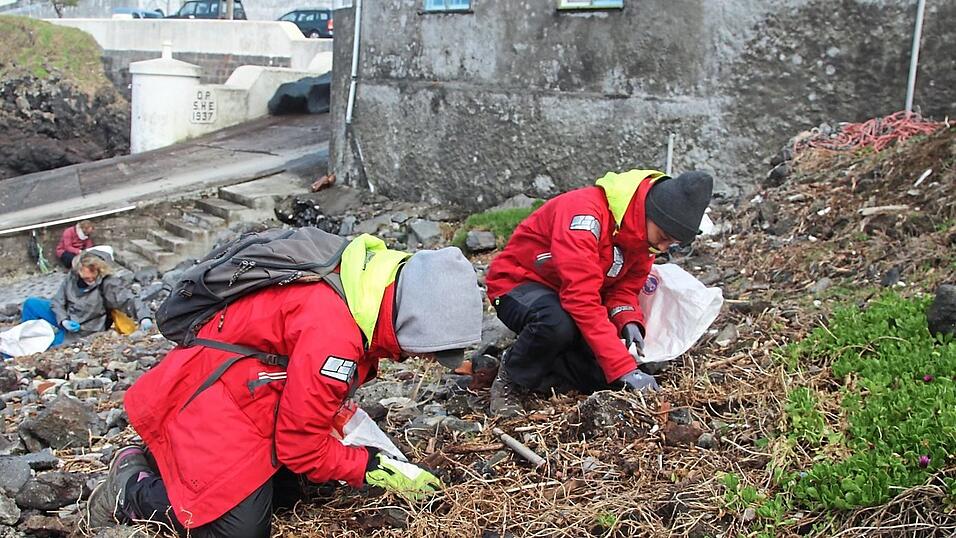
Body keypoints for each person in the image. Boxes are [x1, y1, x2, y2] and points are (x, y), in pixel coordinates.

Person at [85, 241, 484, 537]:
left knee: (299, 489)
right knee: (236, 531)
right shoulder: (334, 333)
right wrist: (369, 467)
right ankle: (131, 489)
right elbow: (300, 446)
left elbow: (310, 395)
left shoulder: (367, 286)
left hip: (248, 391)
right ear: (408, 321)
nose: (423, 359)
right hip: (209, 395)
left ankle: (167, 463)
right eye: (427, 350)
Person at [484, 169, 714, 416]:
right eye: (663, 237)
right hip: (519, 284)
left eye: (671, 244)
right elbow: (581, 299)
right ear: (650, 212)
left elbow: (624, 289)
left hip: (567, 295)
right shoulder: (584, 215)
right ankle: (511, 378)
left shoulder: (643, 240)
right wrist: (624, 368)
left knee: (600, 375)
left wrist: (628, 320)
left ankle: (544, 365)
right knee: (556, 324)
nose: (662, 247)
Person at [21, 249, 153, 349]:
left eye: (92, 278)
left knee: (46, 346)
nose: (89, 281)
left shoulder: (108, 284)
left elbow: (129, 300)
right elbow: (57, 301)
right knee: (31, 304)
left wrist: (144, 317)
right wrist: (64, 320)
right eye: (85, 278)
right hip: (67, 316)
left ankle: (37, 344)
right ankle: (27, 335)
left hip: (85, 327)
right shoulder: (72, 277)